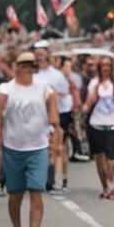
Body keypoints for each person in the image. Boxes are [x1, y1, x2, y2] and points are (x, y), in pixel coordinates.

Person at [0, 51, 60, 227]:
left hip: (37, 147)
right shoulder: (5, 90)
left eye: (31, 65)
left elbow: (54, 118)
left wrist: (56, 143)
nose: (27, 68)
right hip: (13, 148)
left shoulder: (45, 90)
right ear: (16, 67)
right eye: (23, 65)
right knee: (15, 195)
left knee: (36, 192)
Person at [33, 42, 77, 195]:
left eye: (41, 53)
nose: (38, 57)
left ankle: (58, 179)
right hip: (36, 117)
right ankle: (41, 178)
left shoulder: (56, 75)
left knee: (58, 149)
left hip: (54, 116)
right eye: (36, 53)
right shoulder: (32, 74)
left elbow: (63, 95)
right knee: (40, 148)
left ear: (47, 55)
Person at [83, 57, 114, 199]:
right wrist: (84, 109)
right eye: (103, 65)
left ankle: (110, 183)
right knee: (99, 157)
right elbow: (89, 102)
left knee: (112, 158)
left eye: (108, 65)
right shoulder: (94, 83)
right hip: (96, 123)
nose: (106, 68)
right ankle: (105, 186)